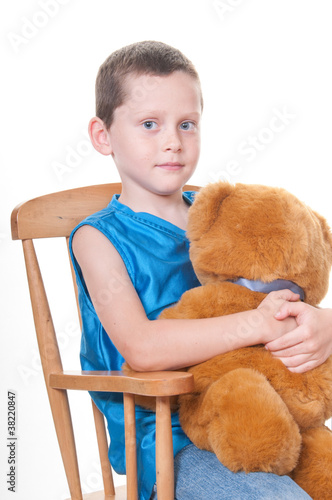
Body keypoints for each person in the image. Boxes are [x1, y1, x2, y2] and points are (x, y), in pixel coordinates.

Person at [69, 40, 332, 500]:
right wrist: (258, 323)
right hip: (171, 443)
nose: (173, 141)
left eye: (186, 124)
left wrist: (323, 323)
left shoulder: (219, 213)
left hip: (271, 414)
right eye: (149, 124)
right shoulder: (98, 238)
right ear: (103, 135)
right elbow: (144, 348)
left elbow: (286, 291)